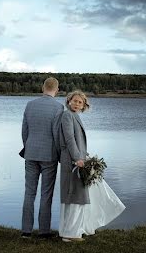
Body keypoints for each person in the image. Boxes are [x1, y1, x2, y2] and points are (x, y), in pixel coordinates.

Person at [56, 90, 125, 242]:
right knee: (75, 196)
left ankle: (70, 231)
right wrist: (77, 158)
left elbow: (77, 141)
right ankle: (70, 234)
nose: (76, 104)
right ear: (69, 101)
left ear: (83, 106)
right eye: (74, 101)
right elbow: (69, 139)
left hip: (78, 159)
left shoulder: (75, 116)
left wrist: (85, 156)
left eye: (80, 102)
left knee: (77, 196)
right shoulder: (67, 115)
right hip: (72, 162)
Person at [20, 76, 62, 239]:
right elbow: (57, 135)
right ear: (57, 90)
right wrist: (59, 154)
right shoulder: (58, 107)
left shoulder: (30, 105)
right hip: (49, 155)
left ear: (42, 88)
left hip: (30, 153)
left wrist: (28, 146)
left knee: (29, 193)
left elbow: (24, 131)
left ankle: (26, 231)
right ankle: (44, 231)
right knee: (46, 193)